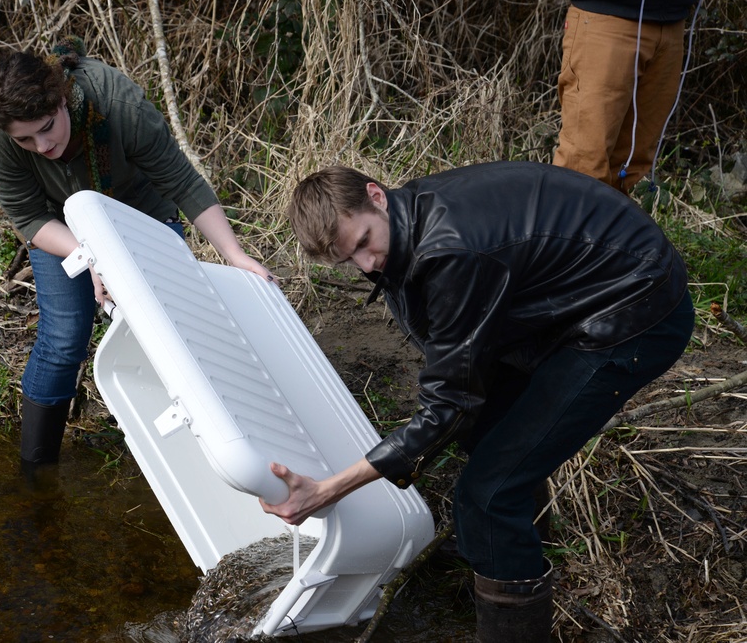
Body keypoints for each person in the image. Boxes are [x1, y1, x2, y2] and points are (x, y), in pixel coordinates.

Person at [264, 161, 693, 641]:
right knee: (487, 435)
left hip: (634, 311)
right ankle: (515, 555)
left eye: (364, 242)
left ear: (376, 195)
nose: (366, 265)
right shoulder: (411, 217)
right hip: (574, 296)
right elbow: (458, 384)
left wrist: (328, 490)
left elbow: (447, 404)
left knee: (487, 495)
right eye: (350, 260)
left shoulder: (452, 251)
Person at [0, 39, 272, 473]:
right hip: (60, 226)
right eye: (26, 139)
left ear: (60, 100)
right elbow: (29, 218)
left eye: (48, 127)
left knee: (170, 329)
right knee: (63, 339)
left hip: (138, 211)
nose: (42, 146)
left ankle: (206, 458)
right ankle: (35, 473)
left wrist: (234, 253)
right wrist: (92, 256)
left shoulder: (116, 103)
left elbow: (181, 181)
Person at [553, 0, 703, 193]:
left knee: (631, 163)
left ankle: (605, 226)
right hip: (607, 17)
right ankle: (565, 226)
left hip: (671, 22)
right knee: (583, 164)